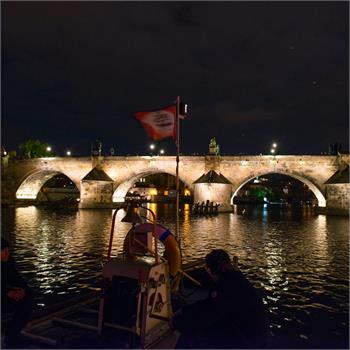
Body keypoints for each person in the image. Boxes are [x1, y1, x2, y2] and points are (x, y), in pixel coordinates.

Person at [173, 249, 269, 348]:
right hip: (255, 337)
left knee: (194, 331)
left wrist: (179, 322)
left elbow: (210, 314)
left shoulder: (227, 287)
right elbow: (211, 304)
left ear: (209, 270)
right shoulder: (235, 280)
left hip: (248, 342)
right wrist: (186, 310)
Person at [1, 238, 33, 347]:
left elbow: (16, 278)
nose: (7, 253)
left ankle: (12, 335)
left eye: (7, 250)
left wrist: (22, 289)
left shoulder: (7, 263)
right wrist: (7, 293)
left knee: (28, 297)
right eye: (3, 251)